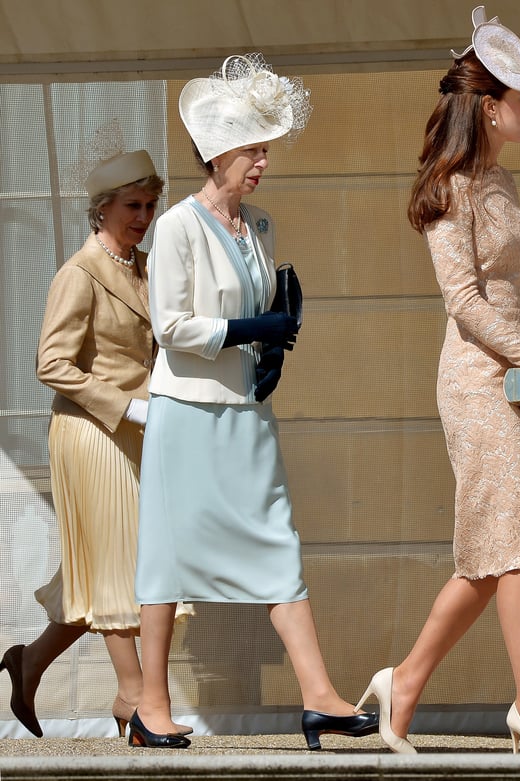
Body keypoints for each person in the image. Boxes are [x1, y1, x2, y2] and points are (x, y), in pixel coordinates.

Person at [130, 53, 378, 750]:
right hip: (187, 413)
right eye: (252, 150)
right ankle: (150, 705)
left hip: (246, 412)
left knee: (279, 542)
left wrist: (272, 344)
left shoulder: (259, 225)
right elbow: (171, 325)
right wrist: (245, 330)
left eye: (266, 149)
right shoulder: (178, 225)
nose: (262, 162)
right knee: (166, 556)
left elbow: (266, 308)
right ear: (217, 152)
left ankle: (320, 695)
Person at [355, 6, 520, 756]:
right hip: (476, 381)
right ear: (491, 107)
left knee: (495, 550)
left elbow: (518, 285)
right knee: (518, 541)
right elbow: (465, 300)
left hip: (513, 370)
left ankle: (403, 683)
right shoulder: (450, 187)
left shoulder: (501, 180)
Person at [1, 148, 193, 740]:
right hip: (91, 433)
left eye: (149, 205)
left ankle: (29, 661)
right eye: (132, 206)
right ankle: (132, 699)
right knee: (118, 568)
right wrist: (128, 404)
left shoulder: (142, 267)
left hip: (139, 433)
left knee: (111, 569)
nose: (143, 215)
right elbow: (51, 363)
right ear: (101, 209)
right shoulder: (79, 272)